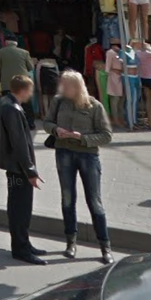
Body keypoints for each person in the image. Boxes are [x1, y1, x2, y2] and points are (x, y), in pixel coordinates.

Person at [45, 68, 113, 263]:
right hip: (64, 153)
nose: (62, 88)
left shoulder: (94, 105)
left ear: (76, 87)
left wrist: (82, 138)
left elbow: (106, 135)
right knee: (67, 198)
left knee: (95, 202)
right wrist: (56, 130)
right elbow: (47, 123)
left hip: (88, 156)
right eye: (62, 85)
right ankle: (70, 243)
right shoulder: (58, 102)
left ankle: (105, 246)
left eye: (66, 86)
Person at [0, 72, 45, 264]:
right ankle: (21, 248)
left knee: (16, 206)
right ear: (23, 90)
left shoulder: (5, 102)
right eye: (30, 90)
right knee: (21, 208)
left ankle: (23, 243)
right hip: (19, 168)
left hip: (13, 165)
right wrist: (30, 171)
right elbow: (20, 143)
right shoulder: (13, 109)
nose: (31, 94)